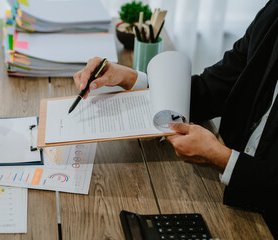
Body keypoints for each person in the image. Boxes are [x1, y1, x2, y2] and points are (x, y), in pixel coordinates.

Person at [74, 0, 278, 237]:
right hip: (223, 197)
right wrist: (131, 79)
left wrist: (223, 158)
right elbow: (212, 89)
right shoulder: (272, 13)